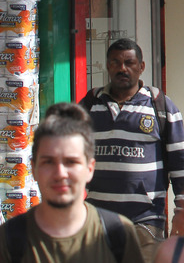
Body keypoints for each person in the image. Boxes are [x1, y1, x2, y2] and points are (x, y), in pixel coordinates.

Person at [81, 38, 184, 261]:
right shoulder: (89, 105)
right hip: (97, 221)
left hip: (145, 223)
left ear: (141, 67)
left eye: (129, 62)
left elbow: (181, 165)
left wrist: (183, 212)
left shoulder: (160, 107)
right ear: (107, 66)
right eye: (115, 62)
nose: (122, 68)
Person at [0, 103, 146, 263]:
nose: (60, 173)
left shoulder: (118, 234)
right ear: (33, 169)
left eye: (71, 162)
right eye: (48, 162)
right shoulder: (8, 239)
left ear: (90, 169)